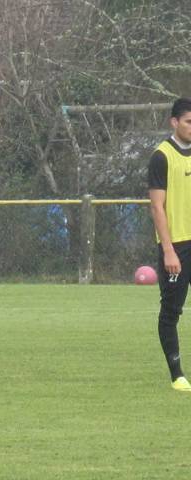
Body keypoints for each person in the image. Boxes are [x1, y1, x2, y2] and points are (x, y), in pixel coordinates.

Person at [148, 97, 191, 392]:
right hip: (177, 246)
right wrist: (168, 250)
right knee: (171, 311)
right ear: (174, 122)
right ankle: (177, 374)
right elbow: (157, 207)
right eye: (189, 121)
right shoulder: (161, 156)